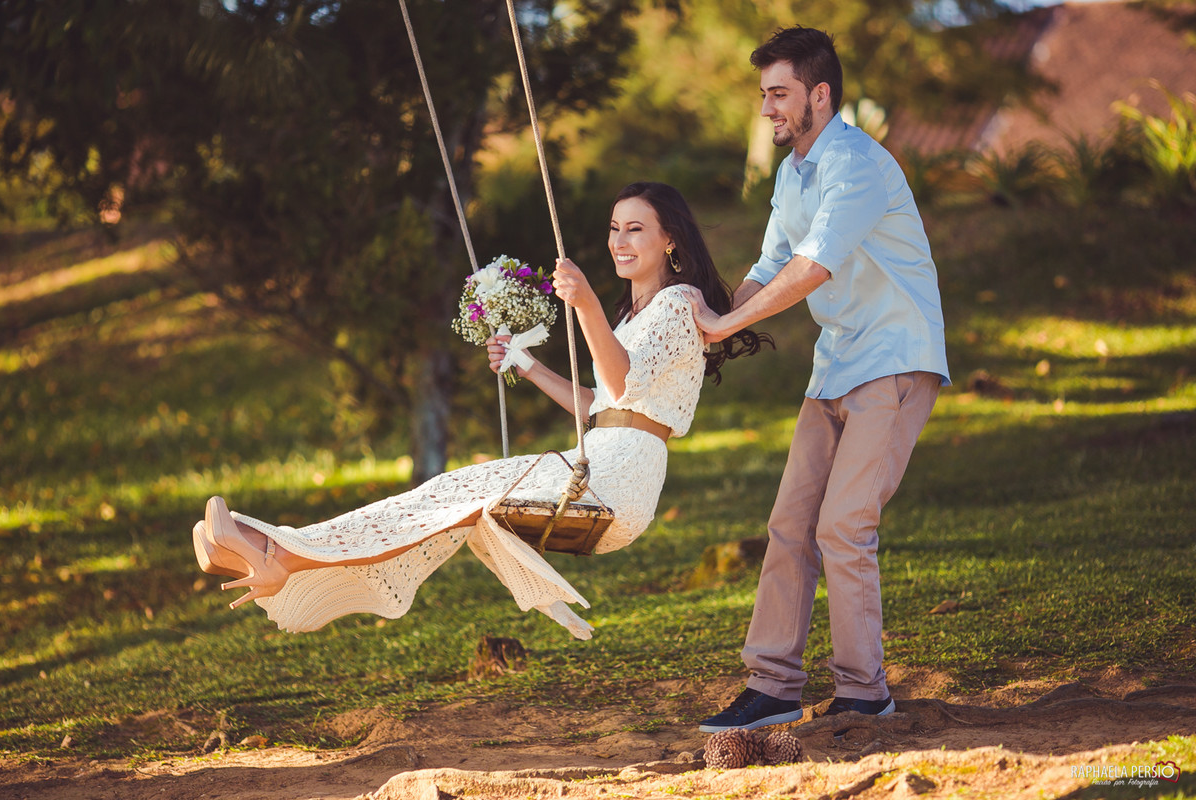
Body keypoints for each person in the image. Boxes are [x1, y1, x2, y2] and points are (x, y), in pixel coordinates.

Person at [192, 181, 769, 639]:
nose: (620, 240)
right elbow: (603, 403)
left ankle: (278, 552)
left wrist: (586, 304)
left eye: (636, 229)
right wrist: (529, 365)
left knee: (449, 496)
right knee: (444, 499)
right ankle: (279, 554)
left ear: (670, 239)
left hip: (618, 484)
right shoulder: (628, 316)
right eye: (614, 228)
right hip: (595, 459)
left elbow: (620, 380)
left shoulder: (678, 300)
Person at [687, 26, 950, 731]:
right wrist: (712, 320)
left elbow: (813, 268)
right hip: (835, 362)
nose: (767, 107)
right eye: (764, 95)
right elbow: (772, 266)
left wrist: (720, 325)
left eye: (780, 94)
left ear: (820, 94)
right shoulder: (792, 172)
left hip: (894, 357)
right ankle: (773, 687)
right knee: (790, 525)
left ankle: (866, 693)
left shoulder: (857, 165)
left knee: (843, 525)